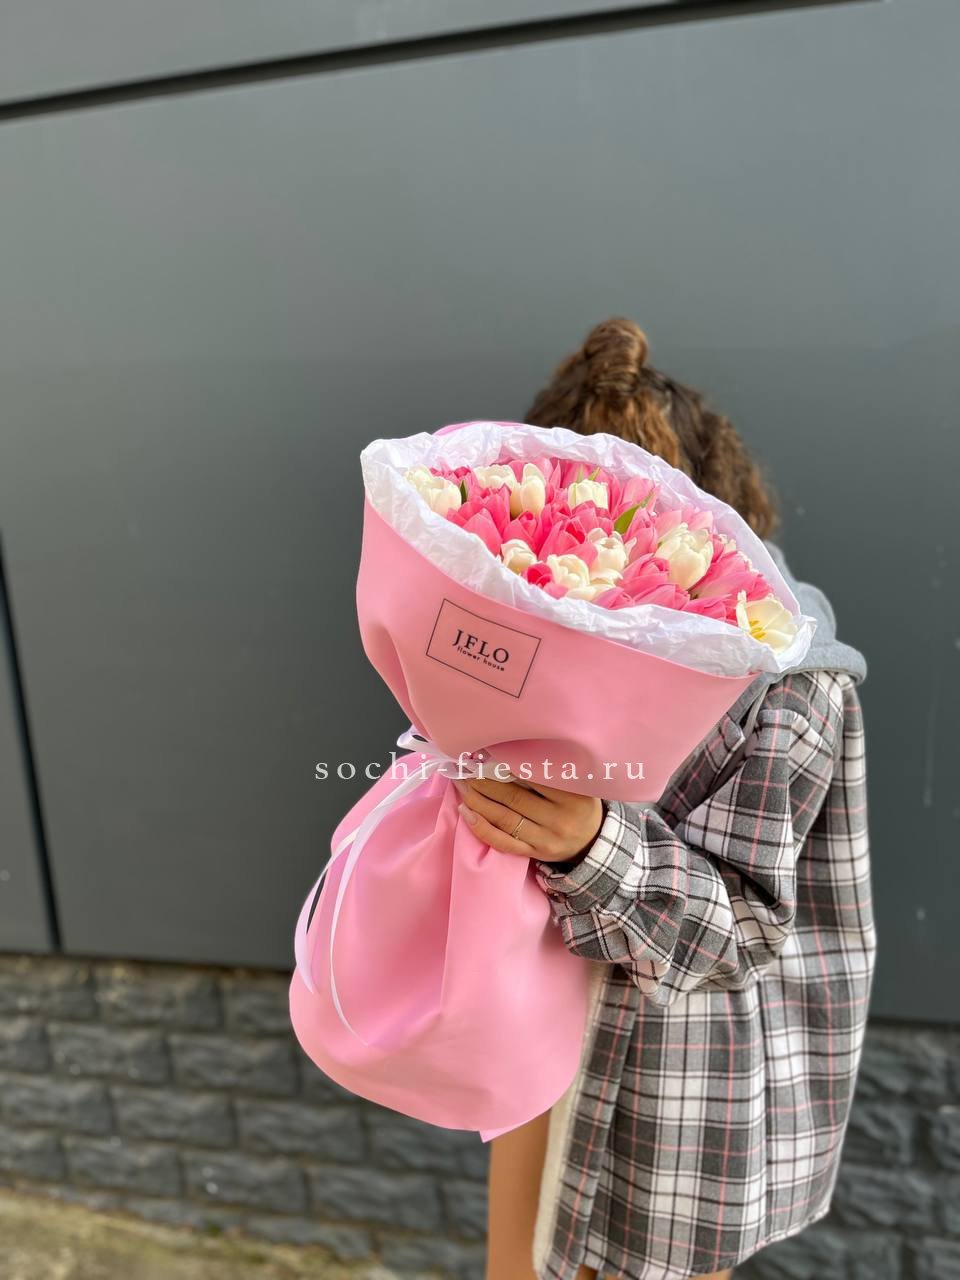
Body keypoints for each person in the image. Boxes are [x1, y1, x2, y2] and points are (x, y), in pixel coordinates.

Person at [461, 317, 876, 1280]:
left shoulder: (792, 685)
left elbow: (744, 929)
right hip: (539, 1038)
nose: (596, 550)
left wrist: (588, 843)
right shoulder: (543, 631)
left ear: (708, 517)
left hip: (681, 1085)